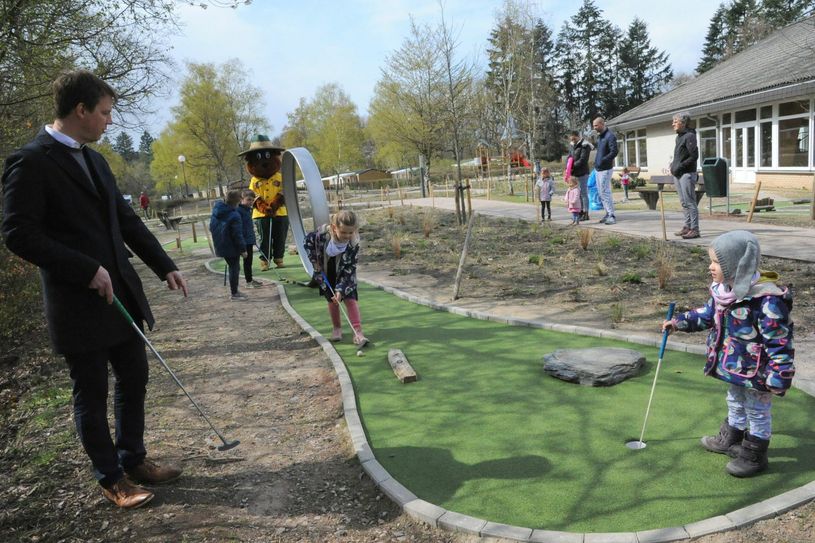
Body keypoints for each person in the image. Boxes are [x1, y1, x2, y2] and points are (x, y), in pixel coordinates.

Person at [1, 70, 188, 509]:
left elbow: (125, 223)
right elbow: (17, 233)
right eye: (104, 113)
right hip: (77, 302)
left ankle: (134, 460)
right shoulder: (30, 161)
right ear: (80, 110)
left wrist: (164, 266)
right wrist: (85, 268)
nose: (109, 122)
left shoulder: (96, 160)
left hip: (119, 293)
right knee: (92, 391)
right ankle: (111, 479)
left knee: (134, 378)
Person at [662, 230, 794, 478]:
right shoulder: (722, 291)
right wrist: (680, 321)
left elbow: (779, 342)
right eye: (711, 261)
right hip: (732, 365)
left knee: (757, 409)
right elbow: (707, 315)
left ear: (737, 265)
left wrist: (779, 376)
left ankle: (755, 453)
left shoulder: (766, 300)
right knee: (734, 400)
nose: (711, 267)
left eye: (716, 262)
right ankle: (731, 437)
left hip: (758, 371)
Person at [304, 210, 368, 345]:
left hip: (345, 272)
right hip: (327, 272)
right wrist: (315, 262)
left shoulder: (353, 243)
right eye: (343, 232)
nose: (347, 236)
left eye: (350, 232)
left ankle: (357, 332)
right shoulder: (320, 236)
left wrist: (340, 289)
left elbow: (350, 268)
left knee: (350, 300)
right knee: (332, 301)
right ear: (334, 228)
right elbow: (307, 243)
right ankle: (337, 328)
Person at [241, 135, 288, 271]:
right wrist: (262, 206)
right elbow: (252, 195)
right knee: (264, 238)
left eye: (268, 155)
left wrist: (274, 205)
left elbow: (284, 191)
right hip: (261, 215)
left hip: (280, 212)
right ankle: (265, 260)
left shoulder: (280, 176)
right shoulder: (254, 181)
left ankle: (279, 258)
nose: (264, 162)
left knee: (280, 236)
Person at [210, 189, 248, 301]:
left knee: (234, 267)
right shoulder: (234, 215)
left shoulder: (216, 210)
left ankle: (235, 291)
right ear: (238, 201)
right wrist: (243, 249)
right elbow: (237, 234)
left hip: (220, 243)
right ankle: (234, 293)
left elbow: (211, 227)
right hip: (231, 246)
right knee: (234, 268)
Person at [671, 112, 701, 239]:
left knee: (690, 202)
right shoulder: (679, 137)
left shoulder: (690, 136)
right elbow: (680, 155)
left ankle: (695, 229)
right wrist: (673, 165)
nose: (673, 124)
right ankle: (687, 226)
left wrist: (681, 166)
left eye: (675, 122)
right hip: (678, 174)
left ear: (683, 123)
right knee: (684, 203)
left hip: (687, 174)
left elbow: (694, 156)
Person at [592, 117, 618, 225]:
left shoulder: (610, 136)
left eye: (596, 125)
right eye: (594, 126)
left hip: (606, 169)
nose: (594, 128)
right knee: (601, 192)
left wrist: (604, 160)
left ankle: (612, 215)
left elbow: (614, 151)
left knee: (605, 191)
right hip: (598, 169)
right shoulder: (600, 137)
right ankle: (607, 213)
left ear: (602, 124)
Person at [238, 189, 264, 289]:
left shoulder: (248, 210)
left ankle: (250, 279)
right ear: (242, 199)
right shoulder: (239, 211)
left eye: (252, 200)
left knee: (249, 262)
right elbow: (238, 228)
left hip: (249, 240)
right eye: (248, 199)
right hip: (243, 241)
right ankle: (248, 282)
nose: (251, 202)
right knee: (246, 262)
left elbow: (249, 226)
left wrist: (253, 238)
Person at [567, 130, 593, 221]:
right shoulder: (572, 145)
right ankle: (580, 211)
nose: (572, 140)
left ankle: (586, 213)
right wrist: (568, 167)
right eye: (571, 139)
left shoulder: (585, 146)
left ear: (578, 136)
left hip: (582, 173)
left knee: (583, 193)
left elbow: (583, 160)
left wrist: (572, 167)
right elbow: (569, 157)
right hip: (574, 173)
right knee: (577, 194)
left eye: (574, 138)